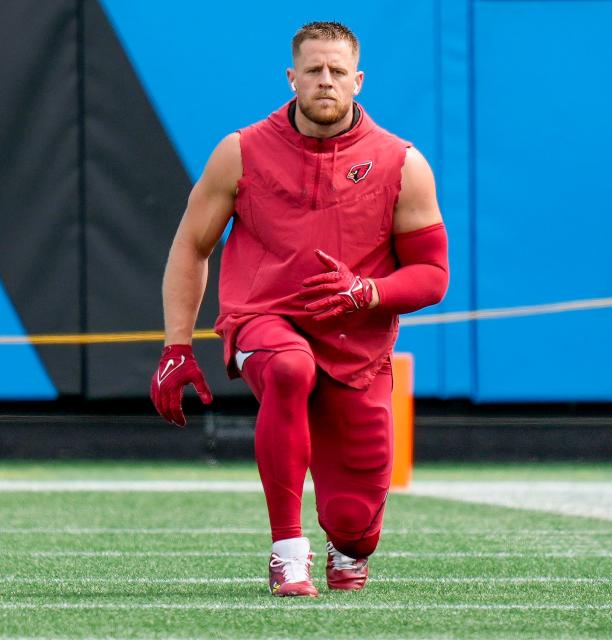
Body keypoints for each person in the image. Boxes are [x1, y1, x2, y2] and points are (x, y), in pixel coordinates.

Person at [150, 21, 448, 597]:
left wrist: (370, 291)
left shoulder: (400, 162)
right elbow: (192, 245)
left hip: (357, 347)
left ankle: (344, 543)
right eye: (313, 70)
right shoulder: (240, 151)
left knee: (357, 530)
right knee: (289, 367)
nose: (325, 81)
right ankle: (288, 550)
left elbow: (433, 275)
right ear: (291, 78)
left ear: (358, 81)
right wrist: (176, 344)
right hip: (265, 318)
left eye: (337, 71)